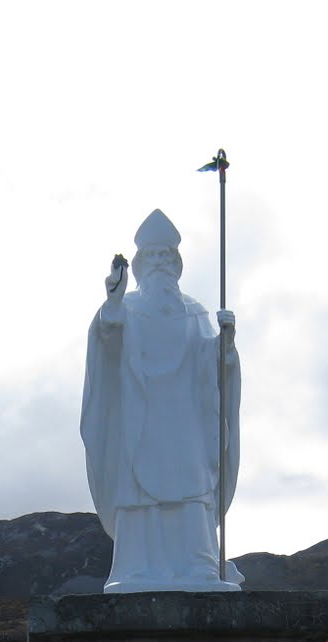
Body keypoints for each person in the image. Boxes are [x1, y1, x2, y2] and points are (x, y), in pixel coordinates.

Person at [80, 208, 244, 593]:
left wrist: (225, 343)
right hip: (140, 417)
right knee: (140, 491)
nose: (160, 264)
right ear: (139, 265)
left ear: (177, 264)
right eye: (153, 257)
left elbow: (213, 367)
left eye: (166, 257)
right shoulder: (127, 309)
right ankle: (138, 568)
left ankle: (199, 565)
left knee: (191, 487)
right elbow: (106, 340)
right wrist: (114, 301)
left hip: (185, 419)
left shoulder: (195, 311)